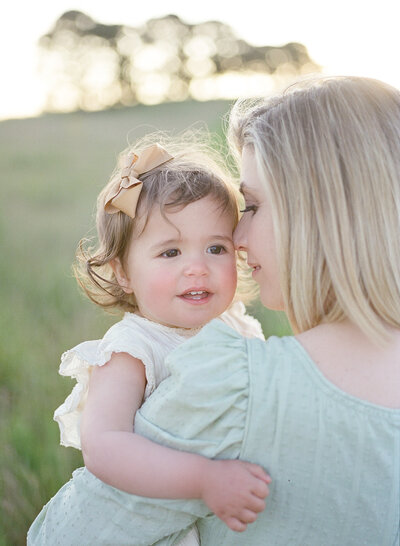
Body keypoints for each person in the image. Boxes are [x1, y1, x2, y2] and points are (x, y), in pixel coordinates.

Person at [27, 137, 271, 546]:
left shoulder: (236, 326)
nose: (197, 268)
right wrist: (203, 479)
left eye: (216, 247)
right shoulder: (133, 350)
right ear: (123, 271)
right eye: (171, 252)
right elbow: (104, 447)